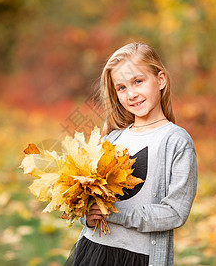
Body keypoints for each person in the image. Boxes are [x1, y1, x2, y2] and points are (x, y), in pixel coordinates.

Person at [65, 42, 198, 266]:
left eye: (138, 81)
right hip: (94, 250)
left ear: (161, 80)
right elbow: (89, 198)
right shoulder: (112, 139)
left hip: (138, 257)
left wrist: (118, 215)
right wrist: (86, 217)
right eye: (122, 88)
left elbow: (175, 212)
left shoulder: (176, 141)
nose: (132, 94)